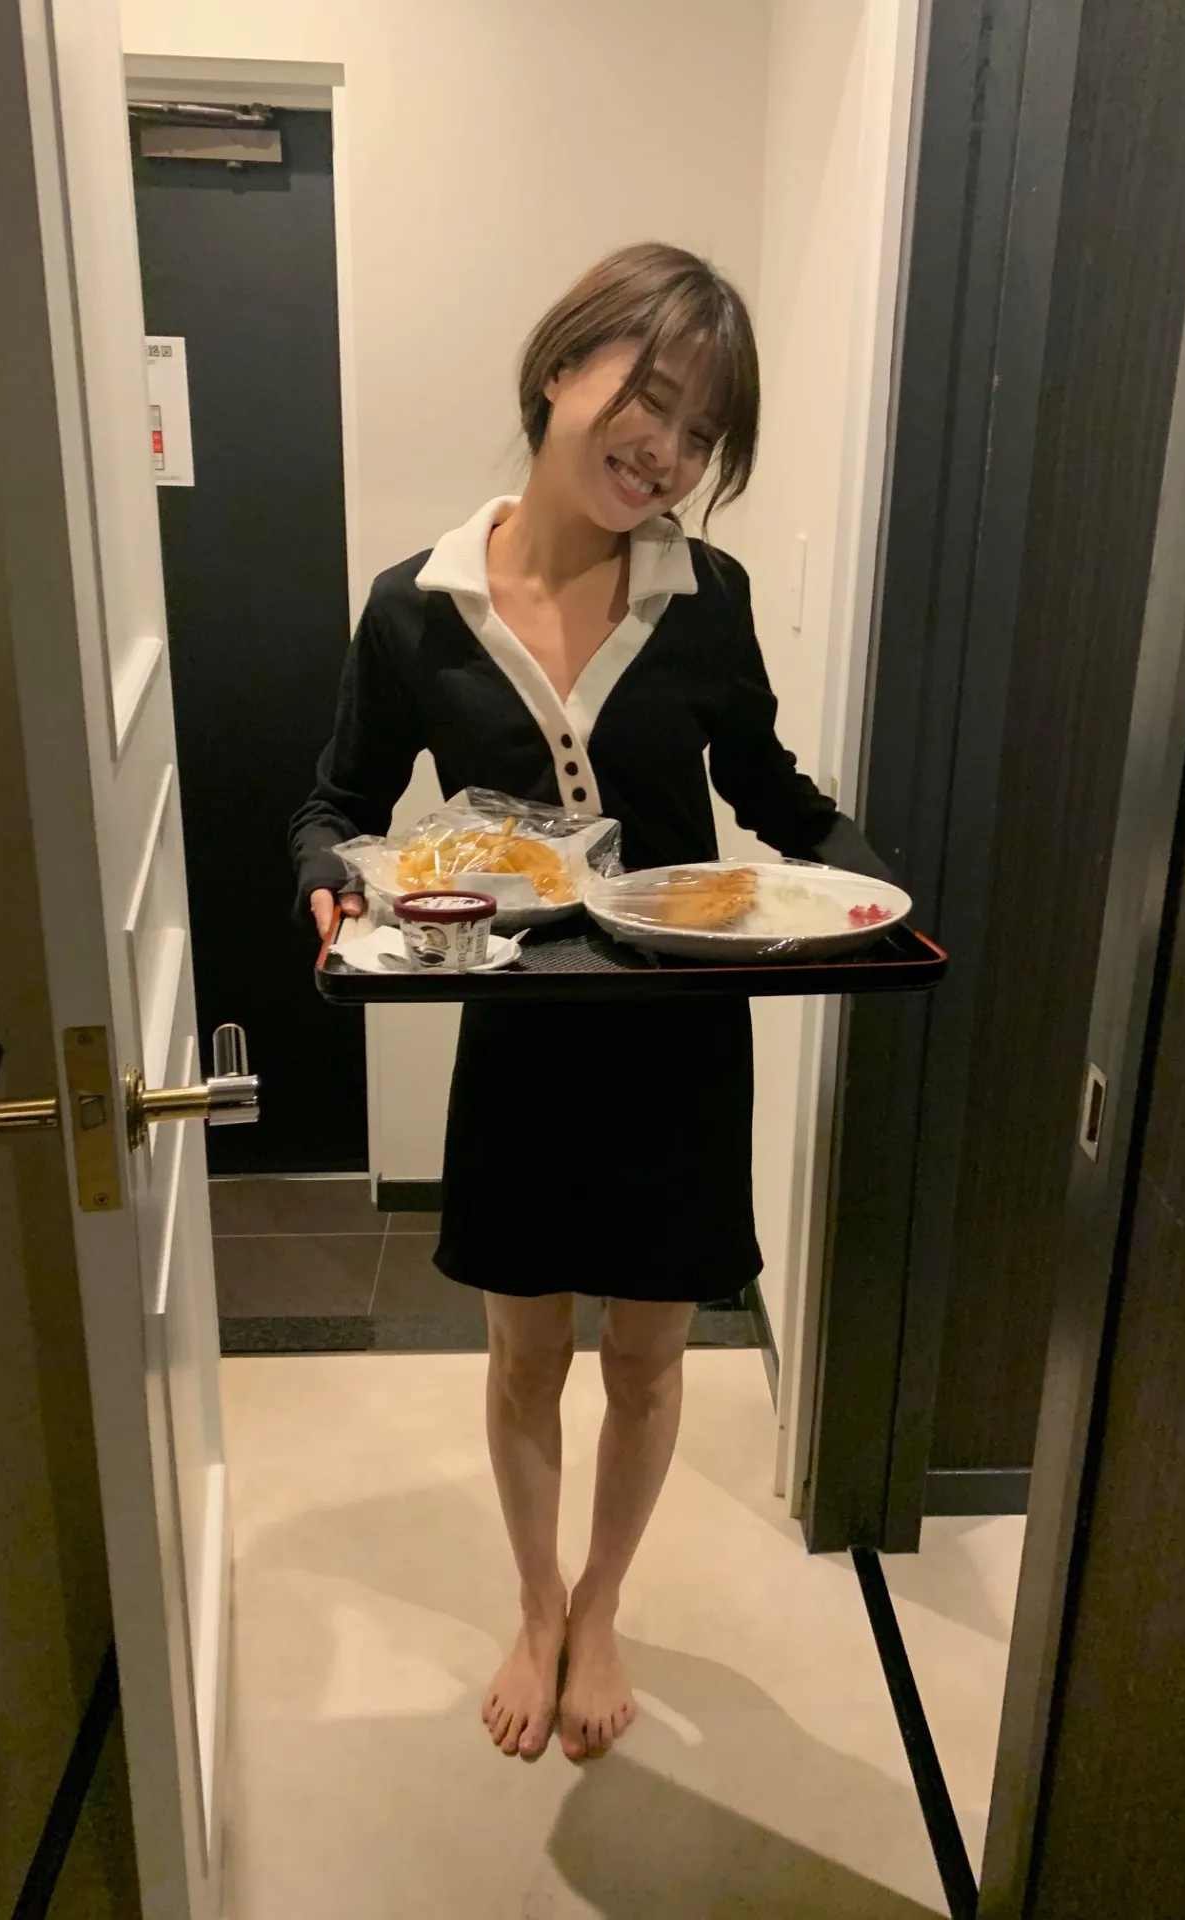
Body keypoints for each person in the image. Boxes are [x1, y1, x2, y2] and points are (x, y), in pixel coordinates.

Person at [291, 242, 889, 1764]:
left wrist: (870, 878)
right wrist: (333, 880)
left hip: (680, 1041)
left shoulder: (707, 596)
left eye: (701, 434)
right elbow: (336, 803)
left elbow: (768, 788)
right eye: (652, 401)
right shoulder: (415, 607)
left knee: (648, 1357)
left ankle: (603, 1603)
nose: (667, 451)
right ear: (562, 367)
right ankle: (534, 1602)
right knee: (523, 1355)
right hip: (523, 1038)